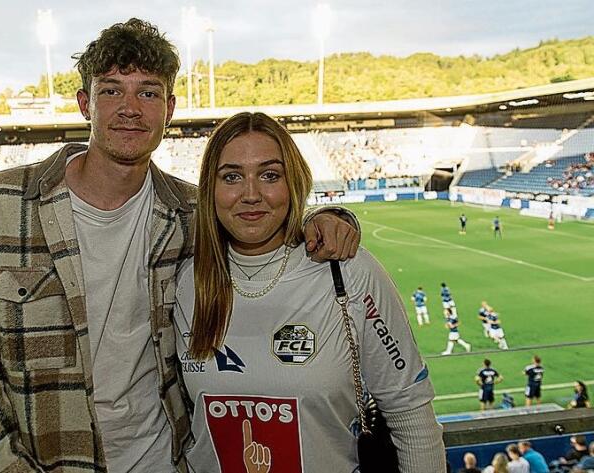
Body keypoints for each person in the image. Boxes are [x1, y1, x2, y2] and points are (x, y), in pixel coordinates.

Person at [0, 19, 360, 473]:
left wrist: (331, 220)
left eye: (148, 93)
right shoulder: (2, 205)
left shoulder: (194, 213)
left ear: (169, 108)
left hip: (167, 461)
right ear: (84, 104)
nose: (130, 108)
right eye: (112, 90)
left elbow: (266, 224)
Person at [173, 112, 444, 473]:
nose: (251, 194)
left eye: (270, 175)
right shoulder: (185, 283)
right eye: (232, 177)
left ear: (293, 182)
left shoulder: (346, 270)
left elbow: (411, 416)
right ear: (210, 189)